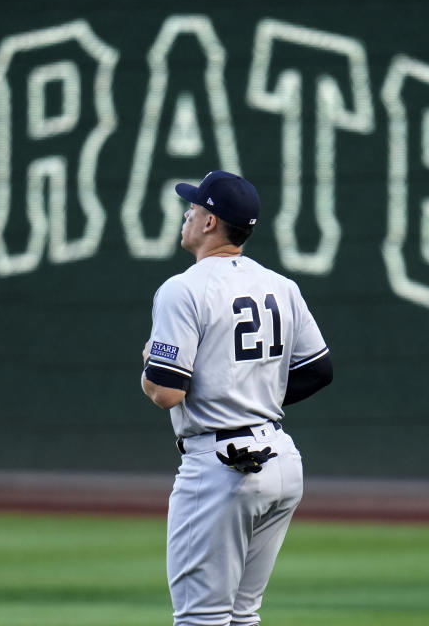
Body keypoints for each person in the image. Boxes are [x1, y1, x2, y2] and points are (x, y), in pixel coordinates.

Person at [140, 170, 333, 626]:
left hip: (221, 467)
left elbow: (166, 392)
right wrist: (250, 391)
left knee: (201, 620)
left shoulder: (182, 289)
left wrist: (149, 367)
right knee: (242, 617)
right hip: (280, 459)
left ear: (210, 222)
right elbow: (318, 369)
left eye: (194, 206)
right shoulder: (280, 285)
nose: (186, 213)